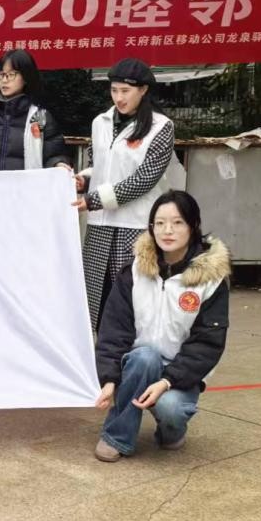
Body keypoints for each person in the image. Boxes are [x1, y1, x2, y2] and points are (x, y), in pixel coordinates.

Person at [92, 190, 230, 462]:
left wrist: (167, 381)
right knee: (145, 358)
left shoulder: (211, 280)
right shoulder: (133, 272)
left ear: (193, 226)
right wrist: (109, 378)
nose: (167, 230)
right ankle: (116, 436)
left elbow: (207, 343)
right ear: (151, 227)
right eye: (160, 223)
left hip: (180, 372)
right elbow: (113, 330)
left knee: (171, 409)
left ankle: (171, 431)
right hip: (137, 365)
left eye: (178, 222)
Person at [74, 58, 181, 333]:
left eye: (125, 91)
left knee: (132, 298)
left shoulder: (161, 126)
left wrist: (94, 200)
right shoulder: (100, 122)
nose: (119, 98)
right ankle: (101, 352)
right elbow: (100, 166)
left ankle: (133, 352)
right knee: (96, 298)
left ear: (143, 90)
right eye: (114, 90)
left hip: (135, 225)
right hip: (100, 225)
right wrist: (84, 180)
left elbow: (144, 179)